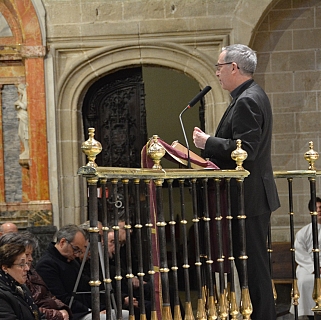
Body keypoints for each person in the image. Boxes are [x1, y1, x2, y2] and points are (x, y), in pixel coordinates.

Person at [192, 44, 280, 320]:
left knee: (254, 268)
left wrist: (208, 142)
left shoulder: (247, 100)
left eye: (219, 67)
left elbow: (247, 150)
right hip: (252, 195)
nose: (216, 73)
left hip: (248, 197)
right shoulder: (250, 95)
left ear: (233, 68)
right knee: (252, 266)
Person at [0, 231, 72, 320]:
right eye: (22, 263)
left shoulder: (21, 286)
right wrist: (57, 314)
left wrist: (62, 308)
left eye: (31, 254)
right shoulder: (5, 292)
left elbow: (37, 312)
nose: (30, 260)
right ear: (5, 266)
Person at [36, 223, 100, 320]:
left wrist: (100, 307)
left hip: (85, 310)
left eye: (80, 251)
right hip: (71, 313)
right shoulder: (46, 265)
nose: (77, 255)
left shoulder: (72, 260)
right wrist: (90, 310)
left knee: (122, 314)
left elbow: (84, 287)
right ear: (62, 242)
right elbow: (60, 298)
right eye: (75, 249)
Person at [290, 197, 321, 319]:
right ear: (311, 211)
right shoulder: (303, 232)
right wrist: (314, 267)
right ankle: (310, 314)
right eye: (316, 208)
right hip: (309, 266)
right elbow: (299, 252)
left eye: (320, 207)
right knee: (303, 281)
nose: (319, 210)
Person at [0, 242, 43, 319]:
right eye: (21, 265)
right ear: (5, 268)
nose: (27, 268)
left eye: (26, 263)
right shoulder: (2, 294)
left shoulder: (21, 287)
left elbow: (37, 315)